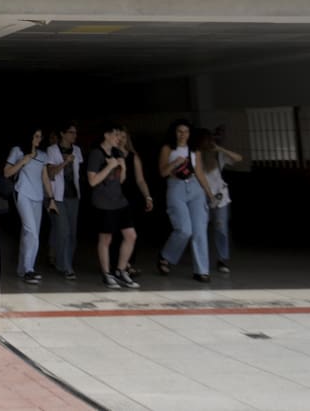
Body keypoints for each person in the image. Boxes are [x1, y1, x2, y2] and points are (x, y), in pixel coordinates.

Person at [158, 119, 215, 282]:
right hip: (176, 187)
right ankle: (166, 256)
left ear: (190, 133)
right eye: (179, 131)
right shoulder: (168, 149)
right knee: (184, 229)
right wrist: (175, 163)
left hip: (195, 188)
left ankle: (202, 270)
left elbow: (200, 173)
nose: (183, 135)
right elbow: (162, 172)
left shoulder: (194, 150)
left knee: (200, 230)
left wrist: (209, 194)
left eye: (186, 131)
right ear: (174, 133)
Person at [87, 124, 142, 289]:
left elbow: (121, 180)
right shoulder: (96, 154)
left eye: (120, 135)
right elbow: (92, 181)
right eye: (116, 135)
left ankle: (121, 269)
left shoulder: (118, 153)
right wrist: (110, 166)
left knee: (131, 235)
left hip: (119, 201)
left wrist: (123, 168)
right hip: (103, 203)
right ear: (106, 135)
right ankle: (106, 273)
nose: (119, 138)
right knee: (106, 238)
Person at [4, 129, 53, 285]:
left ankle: (22, 269)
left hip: (38, 197)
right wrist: (23, 161)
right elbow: (6, 173)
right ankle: (29, 270)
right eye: (36, 136)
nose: (39, 139)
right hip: (22, 193)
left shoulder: (43, 155)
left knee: (30, 233)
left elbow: (45, 177)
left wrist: (50, 198)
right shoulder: (18, 151)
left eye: (40, 136)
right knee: (32, 232)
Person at [196, 128, 244, 274]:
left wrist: (220, 148)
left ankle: (222, 259)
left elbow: (238, 158)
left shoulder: (218, 155)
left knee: (220, 227)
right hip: (200, 195)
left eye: (210, 140)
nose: (208, 143)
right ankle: (201, 260)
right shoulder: (196, 156)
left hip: (219, 196)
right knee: (200, 228)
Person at [46, 123, 83, 280]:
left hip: (74, 195)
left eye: (75, 132)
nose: (74, 135)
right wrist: (65, 162)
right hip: (58, 197)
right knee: (64, 232)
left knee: (72, 233)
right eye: (71, 132)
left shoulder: (77, 150)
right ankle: (66, 267)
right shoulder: (52, 150)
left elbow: (78, 173)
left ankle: (65, 262)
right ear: (63, 133)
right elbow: (50, 173)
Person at [119, 127, 155, 275]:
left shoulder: (133, 157)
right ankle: (120, 264)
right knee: (117, 233)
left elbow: (140, 180)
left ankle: (129, 263)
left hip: (132, 198)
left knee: (132, 232)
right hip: (115, 197)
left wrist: (148, 196)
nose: (121, 139)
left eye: (124, 136)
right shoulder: (110, 156)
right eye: (118, 136)